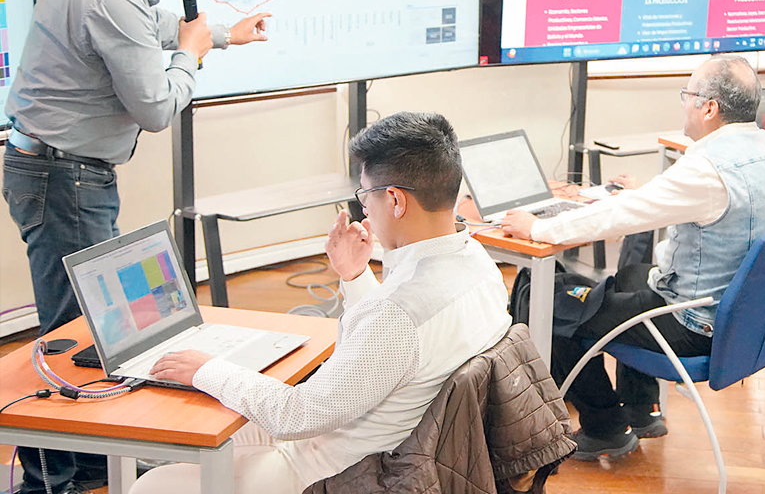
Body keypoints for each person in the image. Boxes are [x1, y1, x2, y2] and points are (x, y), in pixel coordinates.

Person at [1, 0, 270, 494]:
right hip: (63, 177)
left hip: (57, 170)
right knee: (73, 334)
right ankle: (51, 479)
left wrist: (222, 35)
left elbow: (145, 23)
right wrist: (192, 56)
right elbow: (156, 106)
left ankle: (97, 456)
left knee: (93, 326)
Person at [133, 112, 513, 494]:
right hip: (394, 450)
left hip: (337, 472)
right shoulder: (478, 263)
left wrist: (206, 368)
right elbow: (400, 350)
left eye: (365, 196)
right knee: (201, 431)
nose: (364, 209)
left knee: (152, 484)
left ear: (396, 200)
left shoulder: (398, 316)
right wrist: (354, 275)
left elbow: (297, 416)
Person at [501, 55, 765, 460]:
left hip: (692, 324)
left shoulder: (706, 171)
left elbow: (616, 216)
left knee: (553, 309)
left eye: (687, 95)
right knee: (630, 277)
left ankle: (604, 425)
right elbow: (701, 205)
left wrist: (536, 228)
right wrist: (650, 193)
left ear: (709, 107)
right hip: (740, 318)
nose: (683, 103)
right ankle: (642, 410)